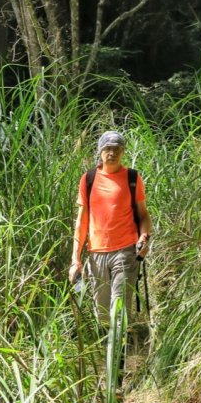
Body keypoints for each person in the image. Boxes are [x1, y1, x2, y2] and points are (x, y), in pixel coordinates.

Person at [69, 130, 153, 331]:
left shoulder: (132, 178)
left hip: (125, 251)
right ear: (100, 152)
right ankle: (111, 353)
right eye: (108, 148)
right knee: (103, 316)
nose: (112, 153)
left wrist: (144, 237)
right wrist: (76, 260)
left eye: (117, 149)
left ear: (123, 152)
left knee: (120, 308)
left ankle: (120, 355)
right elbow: (81, 222)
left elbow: (143, 215)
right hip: (96, 253)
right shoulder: (88, 180)